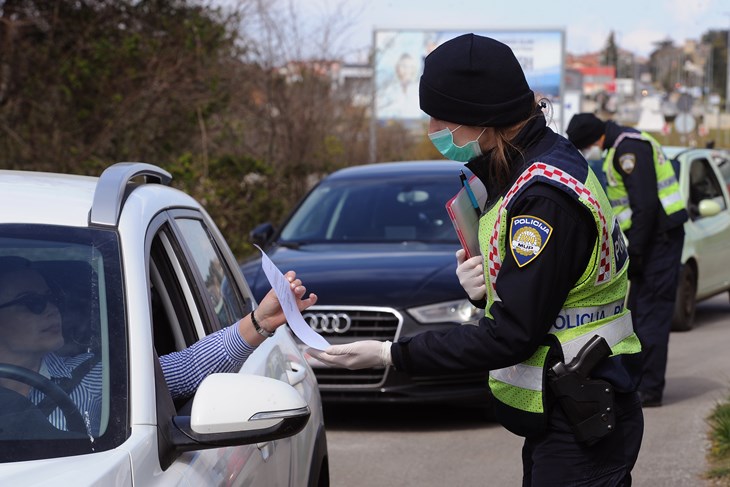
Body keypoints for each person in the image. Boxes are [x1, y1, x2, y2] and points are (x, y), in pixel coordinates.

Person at [309, 33, 644, 486]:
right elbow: (556, 288)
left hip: (583, 411)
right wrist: (494, 284)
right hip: (578, 401)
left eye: (440, 118)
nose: (433, 130)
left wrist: (390, 353)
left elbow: (511, 336)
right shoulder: (542, 160)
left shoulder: (542, 198)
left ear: (483, 118)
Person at [0, 255, 316, 434]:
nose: (53, 308)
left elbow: (191, 367)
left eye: (52, 297)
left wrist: (260, 321)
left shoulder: (97, 375)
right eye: (33, 303)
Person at [566, 112, 688, 408]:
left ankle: (650, 390)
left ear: (593, 140)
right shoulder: (622, 144)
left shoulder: (627, 150)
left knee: (652, 318)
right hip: (655, 241)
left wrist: (638, 254)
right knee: (639, 315)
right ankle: (638, 382)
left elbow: (645, 207)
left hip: (658, 242)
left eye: (584, 147)